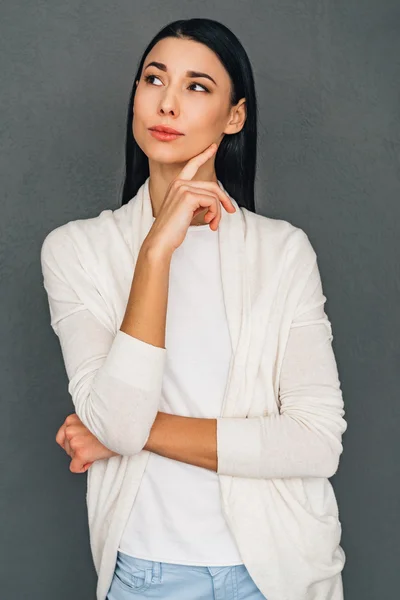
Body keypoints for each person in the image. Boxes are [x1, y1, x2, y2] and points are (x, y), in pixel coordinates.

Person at [41, 17, 348, 600]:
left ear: (235, 117)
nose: (169, 102)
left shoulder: (282, 251)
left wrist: (122, 435)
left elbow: (316, 441)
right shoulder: (77, 250)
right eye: (154, 79)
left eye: (198, 86)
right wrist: (156, 252)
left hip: (279, 571)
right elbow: (119, 419)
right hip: (146, 572)